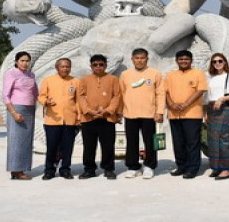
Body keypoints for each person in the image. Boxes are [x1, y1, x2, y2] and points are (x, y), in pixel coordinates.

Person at [119, 47, 165, 179]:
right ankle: (133, 166)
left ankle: (149, 166)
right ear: (132, 59)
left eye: (142, 58)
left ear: (147, 59)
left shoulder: (155, 73)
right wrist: (119, 112)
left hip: (149, 114)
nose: (139, 61)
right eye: (137, 58)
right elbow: (121, 94)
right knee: (131, 141)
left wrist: (160, 112)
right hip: (130, 113)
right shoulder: (125, 74)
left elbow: (160, 94)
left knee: (150, 142)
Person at [165, 49, 208, 179]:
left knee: (192, 142)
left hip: (192, 114)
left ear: (191, 60)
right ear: (177, 61)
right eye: (181, 59)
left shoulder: (198, 73)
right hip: (174, 114)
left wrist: (185, 104)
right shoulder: (170, 75)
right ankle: (181, 166)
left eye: (186, 59)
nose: (183, 61)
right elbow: (165, 92)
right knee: (178, 142)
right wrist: (171, 104)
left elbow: (200, 91)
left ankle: (192, 168)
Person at [77, 54, 121, 180]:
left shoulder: (113, 79)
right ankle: (89, 169)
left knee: (108, 145)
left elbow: (117, 96)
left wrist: (109, 110)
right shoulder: (84, 80)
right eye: (95, 64)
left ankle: (108, 169)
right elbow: (80, 97)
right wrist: (88, 111)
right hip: (89, 118)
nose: (98, 67)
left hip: (107, 118)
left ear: (105, 66)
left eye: (101, 64)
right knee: (89, 146)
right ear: (91, 66)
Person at [37, 58, 80, 180]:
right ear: (57, 67)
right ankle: (49, 170)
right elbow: (41, 96)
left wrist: (79, 117)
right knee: (52, 147)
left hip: (70, 120)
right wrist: (46, 101)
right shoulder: (48, 80)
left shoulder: (75, 81)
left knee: (68, 147)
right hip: (52, 120)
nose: (65, 69)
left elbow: (78, 101)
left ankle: (65, 169)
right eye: (63, 66)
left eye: (68, 66)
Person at [205, 52, 229, 180]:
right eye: (214, 62)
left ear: (225, 62)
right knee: (212, 138)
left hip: (224, 107)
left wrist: (222, 99)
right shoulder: (210, 77)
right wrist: (205, 111)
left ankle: (226, 169)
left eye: (220, 61)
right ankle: (216, 167)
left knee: (222, 137)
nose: (217, 64)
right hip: (211, 108)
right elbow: (207, 96)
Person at [2, 51, 38, 180]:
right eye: (22, 60)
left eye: (27, 60)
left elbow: (35, 93)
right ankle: (15, 170)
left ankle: (22, 168)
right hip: (16, 109)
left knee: (26, 141)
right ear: (16, 61)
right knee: (16, 141)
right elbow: (5, 95)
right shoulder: (11, 74)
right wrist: (14, 113)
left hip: (30, 110)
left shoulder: (31, 75)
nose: (25, 63)